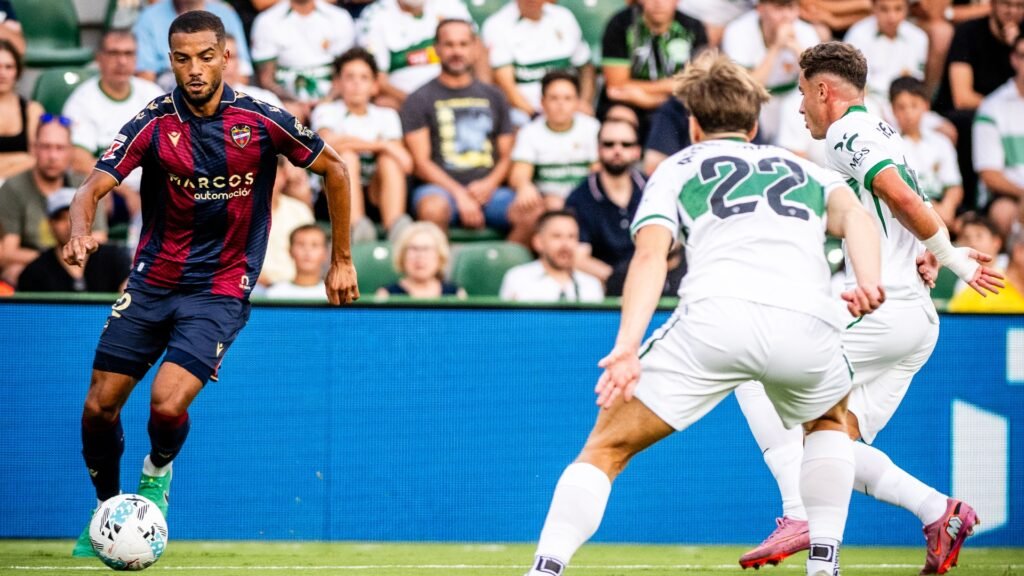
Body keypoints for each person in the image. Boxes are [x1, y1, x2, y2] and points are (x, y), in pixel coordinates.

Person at [526, 51, 887, 576]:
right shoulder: (803, 166)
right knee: (829, 422)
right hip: (807, 323)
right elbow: (856, 214)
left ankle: (546, 568)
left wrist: (627, 346)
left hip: (716, 320)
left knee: (605, 448)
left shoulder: (677, 166)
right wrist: (868, 280)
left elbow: (650, 255)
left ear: (694, 125)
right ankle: (824, 565)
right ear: (755, 123)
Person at [66, 10, 358, 558]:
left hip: (222, 285)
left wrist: (341, 260)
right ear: (170, 60)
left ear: (226, 56)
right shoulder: (153, 121)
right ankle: (107, 512)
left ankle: (156, 471)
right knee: (98, 408)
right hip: (153, 280)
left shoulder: (262, 118)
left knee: (167, 404)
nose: (194, 69)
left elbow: (336, 170)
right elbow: (89, 188)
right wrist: (81, 230)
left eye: (205, 56)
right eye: (182, 58)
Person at [733, 41, 1003, 573]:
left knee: (751, 371)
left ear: (822, 90)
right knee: (830, 443)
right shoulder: (879, 129)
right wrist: (930, 248)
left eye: (805, 97)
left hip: (884, 309)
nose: (803, 110)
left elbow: (902, 199)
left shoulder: (846, 131)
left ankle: (796, 514)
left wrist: (949, 257)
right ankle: (937, 512)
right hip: (913, 320)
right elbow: (903, 204)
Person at [400, 19, 517, 234]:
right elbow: (421, 163)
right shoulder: (418, 99)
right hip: (439, 190)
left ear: (475, 49)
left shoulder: (495, 96)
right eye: (449, 44)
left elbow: (507, 156)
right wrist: (459, 194)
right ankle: (439, 267)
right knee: (433, 209)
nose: (457, 51)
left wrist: (489, 184)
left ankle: (500, 263)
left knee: (531, 212)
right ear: (436, 49)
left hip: (490, 191)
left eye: (463, 44)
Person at [63, 29, 164, 242]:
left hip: (154, 184)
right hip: (113, 190)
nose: (121, 61)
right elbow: (78, 159)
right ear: (99, 58)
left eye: (128, 54)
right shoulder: (82, 100)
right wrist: (126, 191)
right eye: (114, 53)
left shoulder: (152, 95)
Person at [312, 47, 412, 240]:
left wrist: (382, 149)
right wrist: (381, 145)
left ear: (375, 85)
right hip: (333, 198)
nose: (357, 83)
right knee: (346, 157)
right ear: (337, 83)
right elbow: (326, 145)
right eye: (350, 77)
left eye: (364, 78)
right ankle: (356, 228)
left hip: (376, 193)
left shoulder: (387, 115)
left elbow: (405, 163)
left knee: (389, 162)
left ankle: (395, 228)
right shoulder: (326, 111)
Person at [0, 119, 108, 286]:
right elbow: (7, 252)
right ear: (34, 148)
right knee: (14, 271)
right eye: (46, 147)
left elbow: (99, 240)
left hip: (83, 264)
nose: (52, 156)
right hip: (36, 269)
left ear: (71, 151)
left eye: (60, 148)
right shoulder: (13, 187)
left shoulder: (87, 186)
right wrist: (54, 260)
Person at [508, 71, 600, 243]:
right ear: (542, 102)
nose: (561, 105)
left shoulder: (592, 129)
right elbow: (518, 174)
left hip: (585, 200)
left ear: (578, 102)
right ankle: (510, 262)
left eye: (567, 98)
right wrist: (524, 186)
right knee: (524, 211)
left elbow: (598, 173)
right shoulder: (530, 132)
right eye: (554, 98)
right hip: (545, 201)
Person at [599, 0, 708, 140]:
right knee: (619, 119)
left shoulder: (693, 27)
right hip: (630, 105)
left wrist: (648, 100)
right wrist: (671, 85)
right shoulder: (621, 24)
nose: (658, 3)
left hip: (677, 106)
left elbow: (699, 85)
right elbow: (616, 87)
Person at [721, 0, 821, 144]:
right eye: (779, 8)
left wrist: (799, 51)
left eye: (791, 7)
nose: (786, 15)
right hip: (755, 103)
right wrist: (776, 47)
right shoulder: (738, 30)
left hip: (793, 103)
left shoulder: (805, 31)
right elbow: (745, 88)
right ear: (760, 8)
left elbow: (818, 82)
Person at [564, 119, 645, 290]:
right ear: (598, 149)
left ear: (637, 151)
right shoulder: (579, 197)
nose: (617, 150)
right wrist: (619, 280)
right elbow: (579, 258)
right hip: (603, 285)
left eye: (626, 144)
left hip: (651, 276)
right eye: (609, 144)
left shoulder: (653, 189)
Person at [481, 0, 594, 121]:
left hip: (570, 110)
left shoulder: (564, 17)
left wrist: (583, 102)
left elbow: (586, 69)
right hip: (525, 114)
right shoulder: (497, 25)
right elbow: (506, 86)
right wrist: (537, 117)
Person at [356, 0, 475, 109]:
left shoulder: (450, 5)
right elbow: (378, 81)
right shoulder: (375, 15)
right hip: (405, 105)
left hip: (459, 99)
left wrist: (482, 95)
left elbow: (477, 51)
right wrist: (421, 105)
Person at [16, 188, 130, 293]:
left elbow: (129, 296)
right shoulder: (35, 271)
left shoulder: (116, 257)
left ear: (90, 220)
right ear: (50, 224)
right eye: (60, 218)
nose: (69, 225)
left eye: (76, 216)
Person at [250, 0, 355, 109]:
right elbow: (266, 79)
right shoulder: (266, 21)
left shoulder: (340, 18)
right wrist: (297, 104)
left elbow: (346, 71)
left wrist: (326, 101)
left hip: (333, 101)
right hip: (286, 104)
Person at [889, 76, 963, 228]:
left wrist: (947, 208)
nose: (908, 113)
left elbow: (954, 185)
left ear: (926, 106)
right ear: (892, 110)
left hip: (942, 208)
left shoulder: (941, 142)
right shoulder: (889, 144)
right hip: (910, 210)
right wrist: (933, 210)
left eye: (914, 105)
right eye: (901, 107)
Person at [133, 0, 253, 91]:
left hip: (222, 92)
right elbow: (145, 77)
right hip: (169, 96)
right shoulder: (150, 17)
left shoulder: (226, 14)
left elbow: (243, 71)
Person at [973, 34, 1024, 237]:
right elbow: (989, 174)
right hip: (1010, 195)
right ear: (1014, 59)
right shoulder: (992, 107)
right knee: (1003, 212)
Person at [843, 0, 929, 118]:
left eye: (898, 9)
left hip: (903, 105)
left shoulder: (919, 37)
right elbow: (852, 82)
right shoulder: (858, 34)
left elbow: (915, 81)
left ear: (907, 9)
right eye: (884, 9)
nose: (891, 17)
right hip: (869, 101)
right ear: (873, 8)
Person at [499, 210, 603, 303]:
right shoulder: (518, 279)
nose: (565, 245)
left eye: (571, 237)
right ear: (538, 242)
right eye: (557, 236)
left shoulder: (591, 285)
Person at [376, 221, 465, 299]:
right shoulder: (386, 296)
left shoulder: (456, 296)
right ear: (402, 255)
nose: (420, 256)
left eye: (426, 249)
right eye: (414, 249)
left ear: (440, 256)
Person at [948, 223, 1024, 311]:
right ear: (1019, 252)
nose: (973, 242)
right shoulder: (980, 292)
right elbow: (952, 322)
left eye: (979, 236)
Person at [0, 39, 42, 183]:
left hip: (22, 188)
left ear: (17, 71)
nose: (3, 73)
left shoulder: (32, 110)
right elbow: (26, 160)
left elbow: (36, 160)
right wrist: (19, 159)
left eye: (9, 67)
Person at [265, 224, 330, 300]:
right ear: (290, 251)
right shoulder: (275, 294)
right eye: (301, 244)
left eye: (314, 245)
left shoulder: (332, 295)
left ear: (325, 253)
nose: (307, 250)